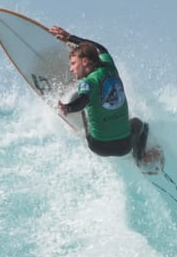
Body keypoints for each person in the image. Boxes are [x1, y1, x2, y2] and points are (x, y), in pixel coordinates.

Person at [49, 26, 162, 169]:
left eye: (73, 63)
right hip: (124, 147)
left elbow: (82, 101)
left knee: (80, 98)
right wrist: (70, 37)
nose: (71, 69)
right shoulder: (110, 66)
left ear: (85, 62)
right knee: (140, 125)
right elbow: (100, 48)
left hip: (98, 146)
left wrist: (68, 108)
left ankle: (79, 129)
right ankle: (140, 157)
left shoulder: (88, 82)